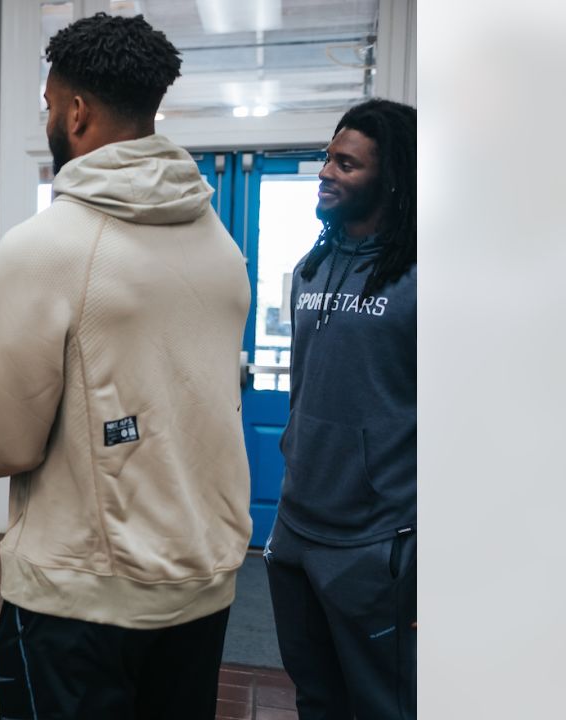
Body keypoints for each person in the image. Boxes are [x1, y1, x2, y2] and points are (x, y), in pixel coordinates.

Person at [0, 13, 252, 719]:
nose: (47, 120)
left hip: (84, 595)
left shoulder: (46, 245)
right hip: (202, 582)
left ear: (75, 111)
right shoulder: (220, 243)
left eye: (46, 106)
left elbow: (7, 439)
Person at [263, 98, 417, 719]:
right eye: (328, 156)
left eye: (346, 164)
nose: (326, 170)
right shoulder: (310, 268)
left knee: (382, 703)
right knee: (315, 696)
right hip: (297, 525)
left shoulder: (423, 279)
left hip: (376, 537)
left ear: (391, 177)